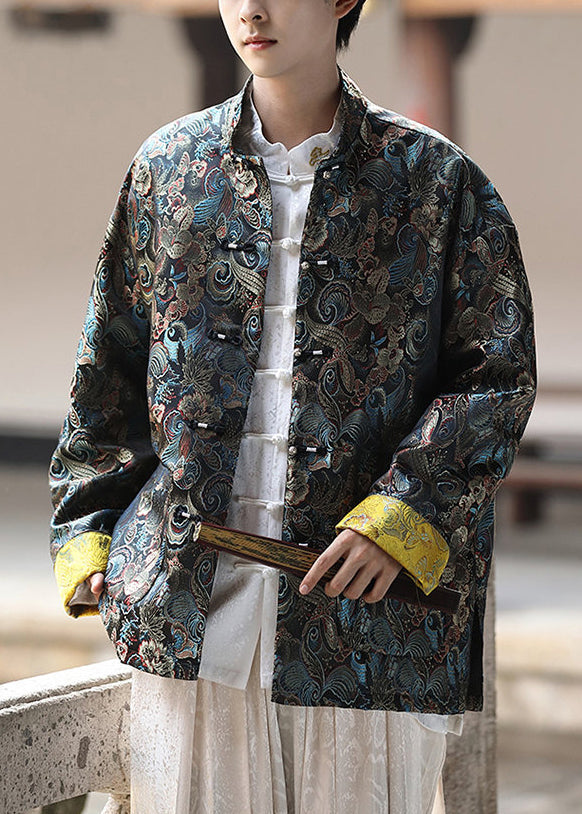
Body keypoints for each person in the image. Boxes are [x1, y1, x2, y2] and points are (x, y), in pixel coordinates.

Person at [49, 0, 536, 811]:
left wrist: (399, 517)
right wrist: (90, 534)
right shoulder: (167, 169)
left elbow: (495, 375)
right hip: (187, 601)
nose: (251, 8)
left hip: (362, 625)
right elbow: (109, 367)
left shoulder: (437, 180)